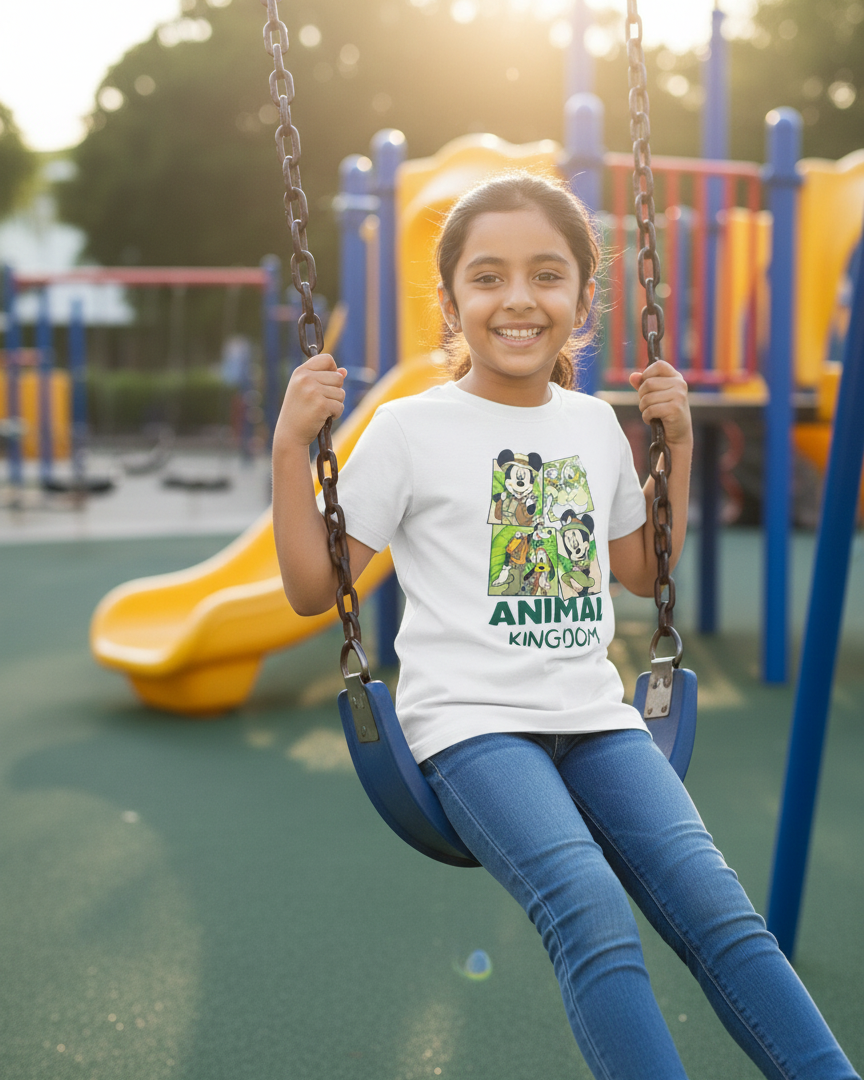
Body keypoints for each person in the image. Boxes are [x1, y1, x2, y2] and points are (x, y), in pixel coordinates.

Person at [271, 172, 859, 1080]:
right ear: (452, 300)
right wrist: (288, 448)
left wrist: (682, 447)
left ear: (584, 299)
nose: (518, 299)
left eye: (548, 275)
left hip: (597, 715)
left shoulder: (593, 424)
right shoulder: (406, 429)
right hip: (472, 729)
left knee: (723, 911)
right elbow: (317, 589)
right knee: (588, 905)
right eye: (488, 276)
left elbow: (639, 573)